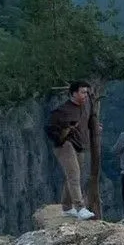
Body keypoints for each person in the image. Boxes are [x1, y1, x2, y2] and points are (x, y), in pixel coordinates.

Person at [45, 81, 95, 220]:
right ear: (73, 93)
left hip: (80, 145)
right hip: (65, 145)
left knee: (74, 175)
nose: (85, 95)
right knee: (74, 174)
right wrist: (62, 135)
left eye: (86, 92)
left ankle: (67, 207)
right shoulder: (62, 110)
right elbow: (49, 128)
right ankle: (80, 208)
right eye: (82, 92)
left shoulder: (86, 107)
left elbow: (89, 121)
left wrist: (95, 128)